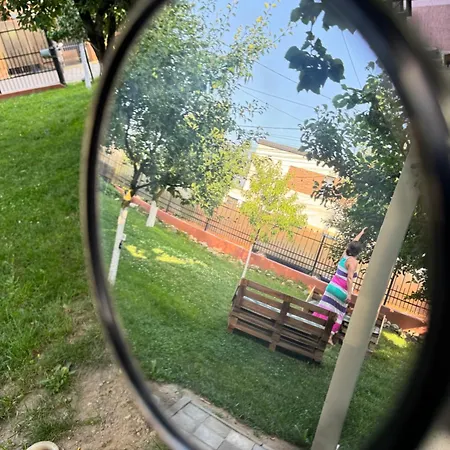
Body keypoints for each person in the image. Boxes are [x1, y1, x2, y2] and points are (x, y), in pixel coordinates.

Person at [313, 228, 367, 345]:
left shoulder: (344, 256)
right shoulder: (353, 262)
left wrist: (360, 234)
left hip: (331, 287)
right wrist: (349, 294)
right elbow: (349, 278)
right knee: (338, 314)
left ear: (349, 248)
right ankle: (329, 336)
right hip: (342, 291)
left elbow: (352, 242)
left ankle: (315, 327)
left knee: (324, 307)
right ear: (358, 252)